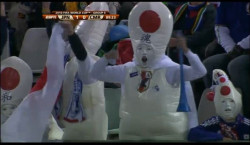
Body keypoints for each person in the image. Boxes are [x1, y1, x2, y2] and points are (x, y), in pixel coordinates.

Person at [91, 2, 207, 140]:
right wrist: (105, 58)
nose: (144, 53)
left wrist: (187, 51)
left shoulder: (171, 69)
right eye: (141, 48)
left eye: (148, 48)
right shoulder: (127, 69)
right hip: (133, 133)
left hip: (168, 134)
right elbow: (95, 73)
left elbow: (200, 71)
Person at [203, 2, 250, 118]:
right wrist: (231, 50)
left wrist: (240, 47)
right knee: (210, 65)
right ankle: (217, 114)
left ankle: (245, 115)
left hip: (245, 49)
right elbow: (220, 28)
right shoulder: (225, 4)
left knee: (236, 66)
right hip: (235, 49)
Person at [188, 69, 250, 141]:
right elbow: (193, 133)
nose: (227, 106)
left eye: (231, 101)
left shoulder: (246, 124)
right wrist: (220, 138)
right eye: (223, 102)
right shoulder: (215, 121)